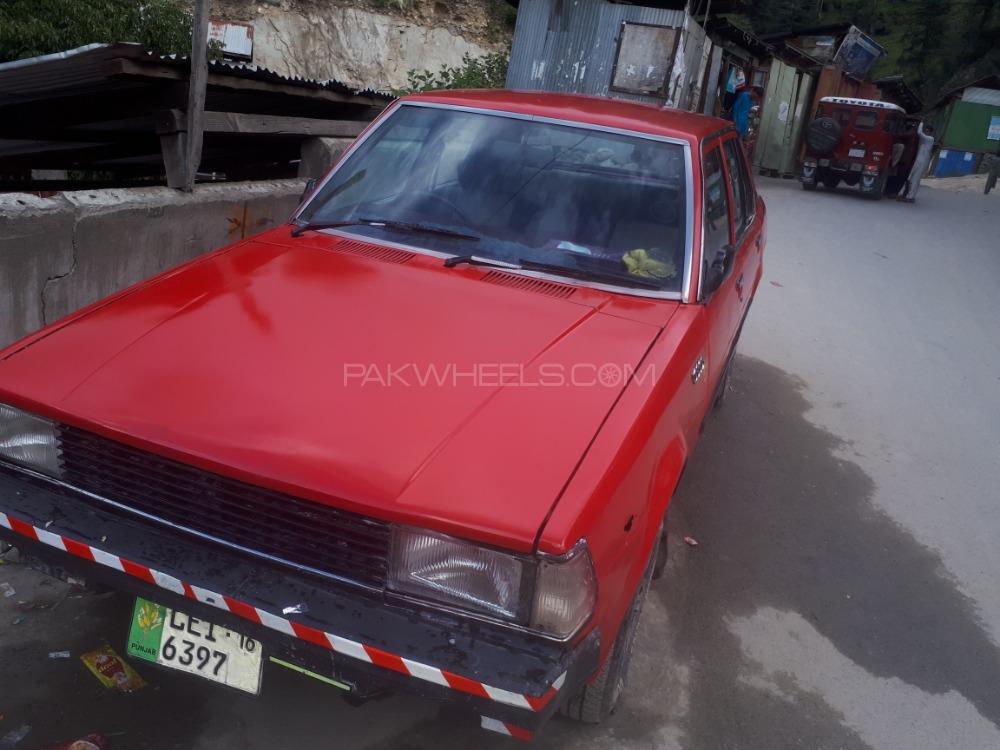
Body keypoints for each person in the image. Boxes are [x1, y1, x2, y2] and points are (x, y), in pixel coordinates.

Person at [900, 122, 935, 203]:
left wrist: (921, 123)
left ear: (930, 132)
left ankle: (911, 197)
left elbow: (919, 133)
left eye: (928, 131)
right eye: (926, 130)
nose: (926, 132)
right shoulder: (924, 142)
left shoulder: (930, 139)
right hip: (918, 161)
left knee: (915, 180)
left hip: (922, 163)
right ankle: (906, 195)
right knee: (911, 179)